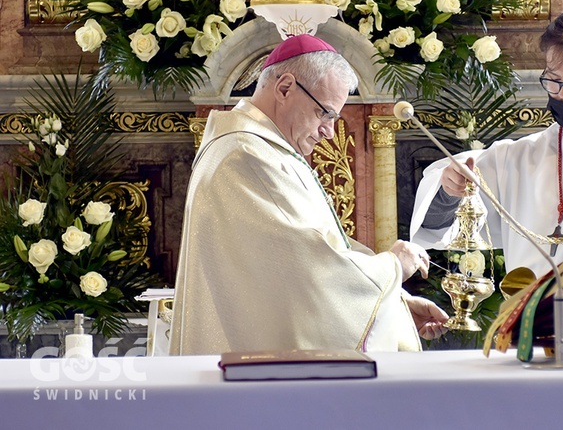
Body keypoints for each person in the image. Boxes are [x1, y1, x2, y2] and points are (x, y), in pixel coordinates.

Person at [170, 34, 448, 355]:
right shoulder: (244, 155)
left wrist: (393, 308)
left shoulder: (262, 148)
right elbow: (309, 272)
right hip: (252, 376)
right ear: (285, 88)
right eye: (325, 114)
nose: (330, 131)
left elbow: (306, 259)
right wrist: (394, 267)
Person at [410, 2, 563, 278]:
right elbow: (436, 228)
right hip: (525, 315)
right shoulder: (518, 157)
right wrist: (449, 192)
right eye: (554, 81)